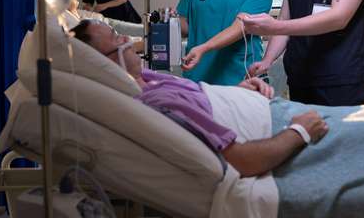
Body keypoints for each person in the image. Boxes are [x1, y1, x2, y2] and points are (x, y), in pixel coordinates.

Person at [69, 20, 329, 178]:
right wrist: (299, 132)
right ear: (102, 63)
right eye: (117, 38)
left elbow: (201, 100)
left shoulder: (151, 78)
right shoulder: (157, 102)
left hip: (274, 109)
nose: (127, 40)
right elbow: (243, 161)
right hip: (284, 129)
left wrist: (239, 92)